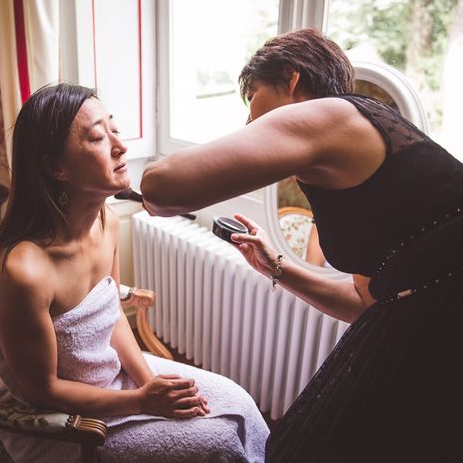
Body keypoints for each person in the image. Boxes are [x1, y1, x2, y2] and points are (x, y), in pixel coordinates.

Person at [141, 28, 463, 462]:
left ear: (291, 80)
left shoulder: (334, 116)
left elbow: (161, 187)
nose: (250, 123)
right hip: (415, 327)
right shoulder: (352, 161)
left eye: (253, 97)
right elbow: (365, 302)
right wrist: (276, 267)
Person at [0, 83, 269, 463]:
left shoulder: (108, 223)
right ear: (56, 168)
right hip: (62, 423)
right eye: (99, 137)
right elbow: (43, 391)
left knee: (239, 404)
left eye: (114, 129)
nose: (121, 146)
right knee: (218, 440)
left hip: (115, 379)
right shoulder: (21, 272)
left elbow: (112, 315)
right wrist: (140, 401)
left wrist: (149, 382)